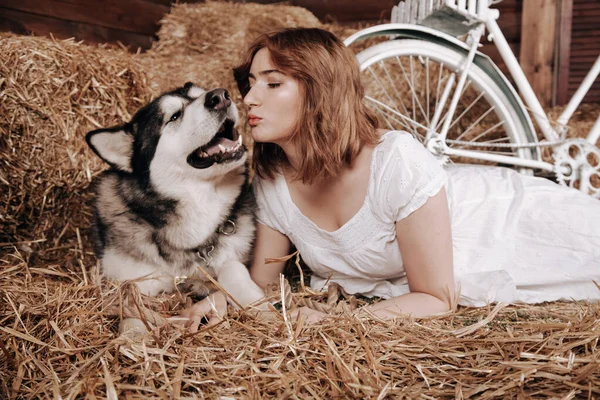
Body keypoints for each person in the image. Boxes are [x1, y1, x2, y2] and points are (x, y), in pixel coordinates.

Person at [181, 27, 600, 330]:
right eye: (251, 83)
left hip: (498, 220)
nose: (249, 98)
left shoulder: (395, 160)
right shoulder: (273, 179)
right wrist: (224, 300)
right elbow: (264, 284)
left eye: (273, 83)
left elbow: (437, 298)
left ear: (320, 91)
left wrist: (336, 321)